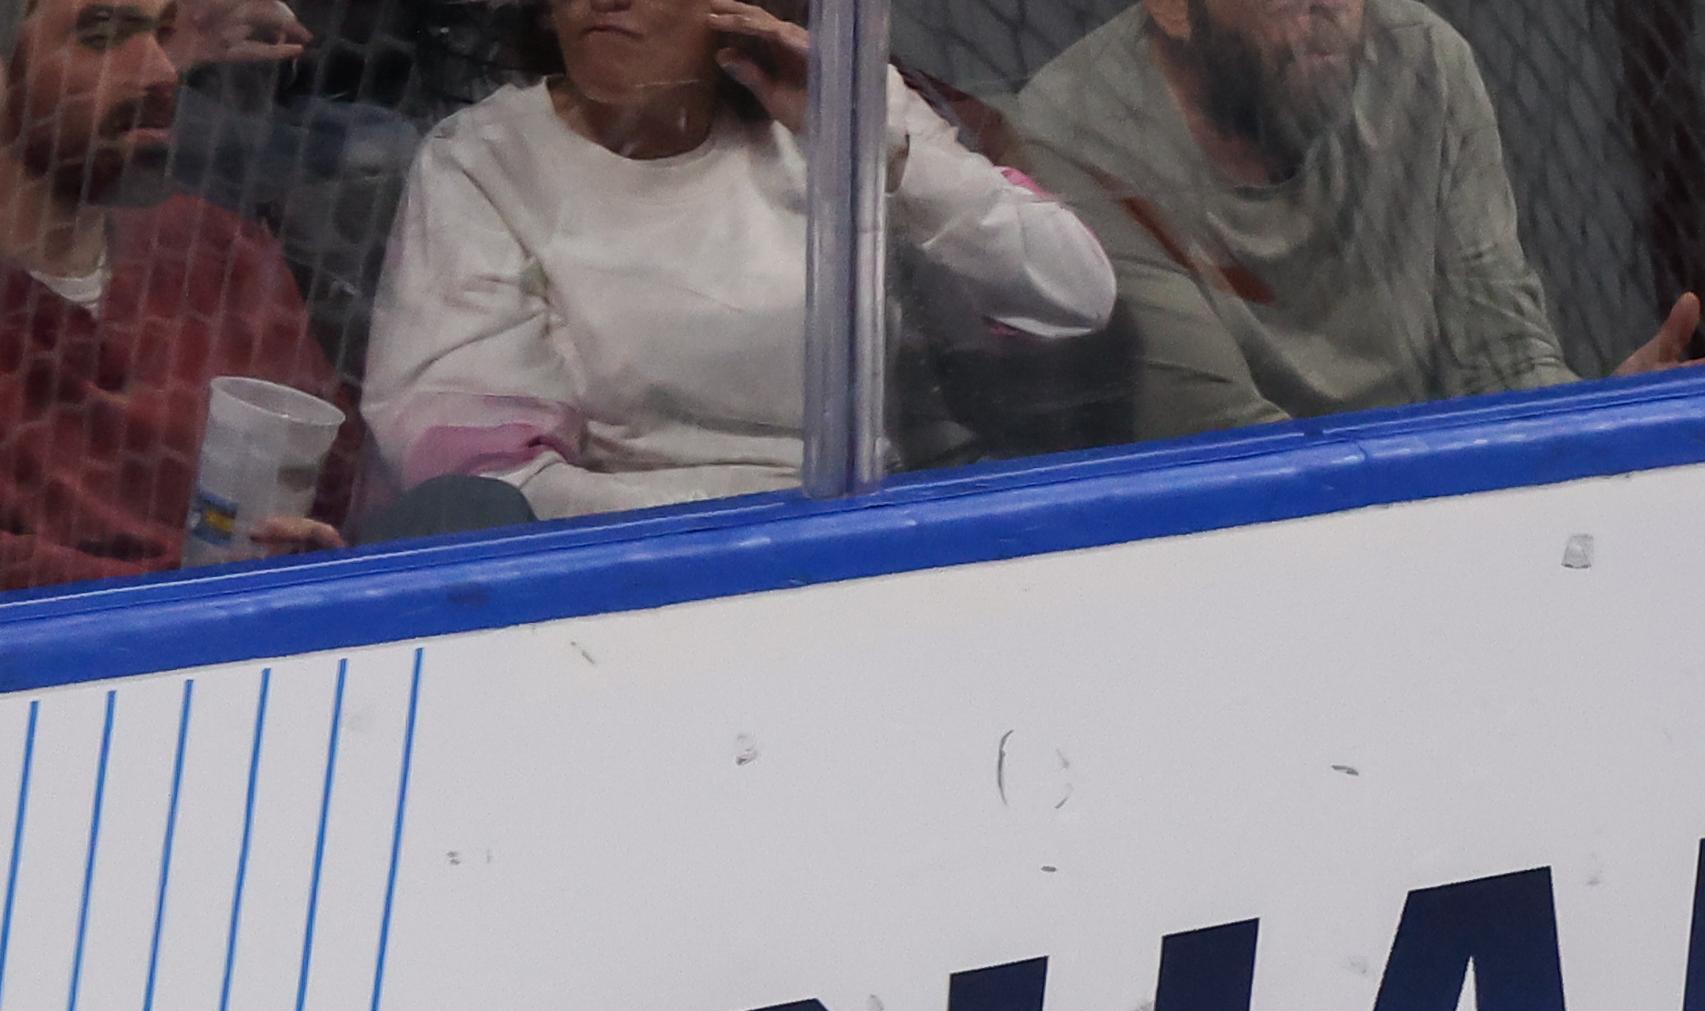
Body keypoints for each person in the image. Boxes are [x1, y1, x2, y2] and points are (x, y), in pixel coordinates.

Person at [361, 0, 1112, 520]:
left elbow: (1072, 294)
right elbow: (488, 483)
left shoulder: (835, 99)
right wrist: (750, 519)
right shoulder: (481, 163)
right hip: (621, 566)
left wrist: (871, 145)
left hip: (871, 531)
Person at [1004, 0, 1705, 443]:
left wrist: (1594, 429)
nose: (1331, 7)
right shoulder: (1078, 137)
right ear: (1171, 8)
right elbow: (1226, 451)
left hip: (1426, 514)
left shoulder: (1423, 64)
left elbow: (1501, 357)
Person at [3, 0, 355, 588]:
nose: (164, 71)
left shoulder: (221, 256)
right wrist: (193, 588)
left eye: (164, 35)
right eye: (103, 35)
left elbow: (344, 498)